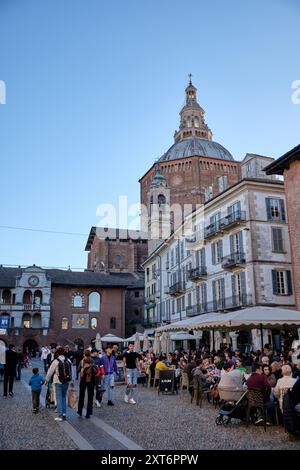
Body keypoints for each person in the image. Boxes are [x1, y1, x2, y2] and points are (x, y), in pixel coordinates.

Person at [45, 347, 72, 421]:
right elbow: (70, 371)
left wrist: (46, 380)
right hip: (66, 381)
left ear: (57, 353)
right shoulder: (68, 360)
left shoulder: (55, 361)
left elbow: (50, 371)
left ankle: (60, 415)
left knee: (59, 398)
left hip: (58, 381)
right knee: (63, 397)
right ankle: (64, 414)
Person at [77, 350, 98, 418]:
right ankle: (88, 413)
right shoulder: (93, 361)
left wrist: (82, 369)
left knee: (81, 395)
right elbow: (96, 371)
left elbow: (77, 370)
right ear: (90, 354)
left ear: (84, 354)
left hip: (83, 379)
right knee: (90, 396)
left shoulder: (82, 361)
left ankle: (80, 411)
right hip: (91, 380)